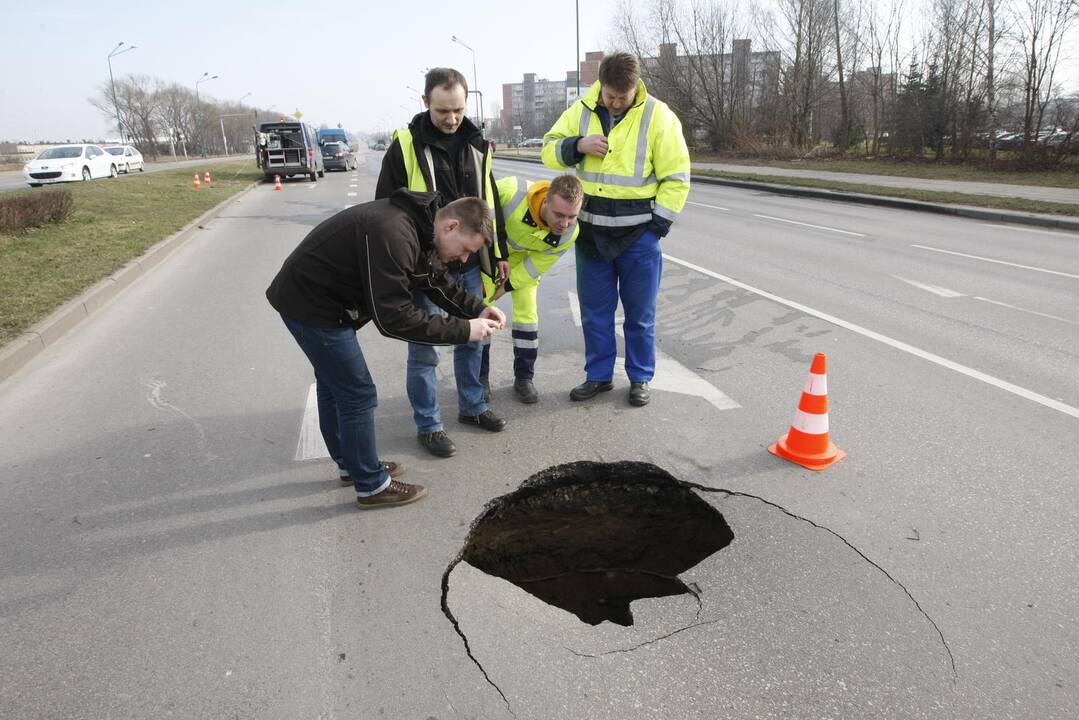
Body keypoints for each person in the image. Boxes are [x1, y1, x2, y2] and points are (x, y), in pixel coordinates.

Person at [266, 191, 507, 510]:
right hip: (311, 306)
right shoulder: (394, 233)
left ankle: (352, 465)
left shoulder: (420, 228)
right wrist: (464, 330)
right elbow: (394, 318)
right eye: (465, 249)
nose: (464, 259)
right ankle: (371, 485)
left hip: (320, 300)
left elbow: (433, 280)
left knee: (334, 385)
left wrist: (476, 308)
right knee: (357, 393)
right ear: (451, 227)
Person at [541, 52, 690, 407]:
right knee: (595, 314)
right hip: (591, 234)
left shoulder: (658, 115)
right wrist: (577, 146)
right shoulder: (581, 110)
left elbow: (677, 176)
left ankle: (640, 378)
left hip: (639, 236)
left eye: (623, 97)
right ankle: (598, 376)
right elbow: (547, 150)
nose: (616, 103)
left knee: (639, 316)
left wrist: (657, 227)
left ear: (636, 86)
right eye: (610, 96)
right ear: (601, 85)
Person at [376, 67, 510, 459]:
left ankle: (472, 407)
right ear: (425, 103)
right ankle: (430, 426)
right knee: (425, 350)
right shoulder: (404, 145)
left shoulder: (477, 142)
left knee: (475, 335)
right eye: (442, 111)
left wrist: (497, 252)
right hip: (425, 266)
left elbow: (489, 200)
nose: (451, 119)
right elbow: (387, 207)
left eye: (457, 110)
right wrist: (408, 260)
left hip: (468, 262)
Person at [480, 174, 583, 403]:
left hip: (523, 263)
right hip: (491, 256)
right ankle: (481, 377)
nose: (564, 224)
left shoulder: (569, 232)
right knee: (482, 311)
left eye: (571, 217)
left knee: (527, 316)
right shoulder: (510, 192)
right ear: (545, 201)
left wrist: (506, 286)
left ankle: (524, 378)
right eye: (559, 215)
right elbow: (478, 222)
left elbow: (534, 266)